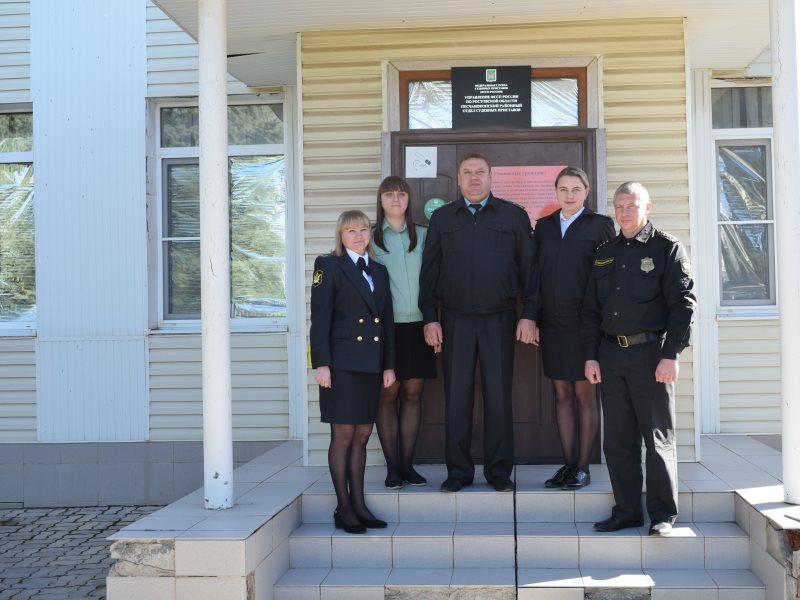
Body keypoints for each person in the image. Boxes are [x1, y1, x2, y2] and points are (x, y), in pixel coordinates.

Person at [419, 153, 537, 493]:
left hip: (500, 319)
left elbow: (530, 271)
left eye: (480, 172)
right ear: (458, 179)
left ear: (490, 177)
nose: (474, 178)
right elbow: (429, 275)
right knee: (457, 398)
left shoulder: (513, 216)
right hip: (454, 320)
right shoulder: (443, 218)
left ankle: (499, 472)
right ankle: (458, 473)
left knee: (499, 397)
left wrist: (529, 313)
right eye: (467, 173)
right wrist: (430, 318)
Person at [582, 181, 696, 536]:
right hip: (610, 355)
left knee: (657, 438)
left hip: (651, 356)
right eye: (619, 207)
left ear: (648, 208)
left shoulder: (666, 248)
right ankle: (627, 511)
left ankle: (662, 515)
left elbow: (683, 306)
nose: (625, 213)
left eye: (632, 206)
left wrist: (671, 354)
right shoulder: (605, 252)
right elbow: (590, 311)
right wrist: (591, 357)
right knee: (618, 440)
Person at [309, 210, 397, 534]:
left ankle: (359, 505)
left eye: (363, 230)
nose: (359, 236)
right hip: (341, 365)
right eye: (351, 231)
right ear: (341, 236)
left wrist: (389, 364)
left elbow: (386, 321)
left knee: (362, 436)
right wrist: (321, 363)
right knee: (343, 436)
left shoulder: (379, 271)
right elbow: (320, 319)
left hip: (371, 365)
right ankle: (343, 507)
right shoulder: (329, 266)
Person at [532, 166, 616, 490]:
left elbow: (609, 278)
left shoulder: (600, 226)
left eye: (575, 189)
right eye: (563, 189)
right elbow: (535, 276)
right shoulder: (545, 227)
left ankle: (583, 466)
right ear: (556, 192)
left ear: (587, 191)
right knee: (561, 394)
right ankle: (568, 465)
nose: (569, 195)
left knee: (584, 394)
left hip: (587, 324)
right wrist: (535, 317)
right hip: (553, 324)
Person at [372, 176, 437, 489]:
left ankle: (408, 465)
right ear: (381, 200)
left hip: (420, 326)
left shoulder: (423, 236)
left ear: (408, 199)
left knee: (413, 394)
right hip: (386, 330)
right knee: (388, 395)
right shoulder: (370, 239)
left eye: (401, 194)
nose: (395, 199)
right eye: (389, 194)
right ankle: (392, 468)